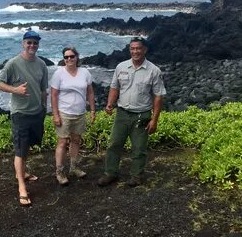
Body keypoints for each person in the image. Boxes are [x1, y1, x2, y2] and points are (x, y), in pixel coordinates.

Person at [97, 36, 166, 187]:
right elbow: (115, 87)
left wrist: (154, 120)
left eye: (138, 48)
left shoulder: (154, 71)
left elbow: (158, 96)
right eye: (132, 48)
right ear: (129, 50)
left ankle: (136, 176)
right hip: (122, 113)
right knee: (114, 144)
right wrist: (110, 104)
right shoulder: (121, 67)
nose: (135, 51)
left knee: (139, 148)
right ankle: (110, 173)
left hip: (142, 115)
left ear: (145, 50)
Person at [0, 30, 48, 206]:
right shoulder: (13, 63)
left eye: (35, 43)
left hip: (37, 112)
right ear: (23, 43)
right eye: (29, 42)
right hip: (20, 114)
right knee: (20, 150)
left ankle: (23, 173)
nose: (32, 45)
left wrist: (44, 108)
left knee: (28, 147)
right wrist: (15, 90)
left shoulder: (41, 64)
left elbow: (43, 89)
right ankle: (21, 186)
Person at [51, 46, 96, 185]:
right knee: (62, 142)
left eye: (72, 56)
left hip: (80, 113)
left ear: (77, 57)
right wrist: (55, 115)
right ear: (63, 59)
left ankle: (74, 167)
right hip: (64, 113)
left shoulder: (85, 72)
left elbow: (90, 92)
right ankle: (59, 172)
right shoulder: (59, 74)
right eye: (66, 57)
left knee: (76, 141)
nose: (69, 59)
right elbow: (53, 95)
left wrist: (93, 110)